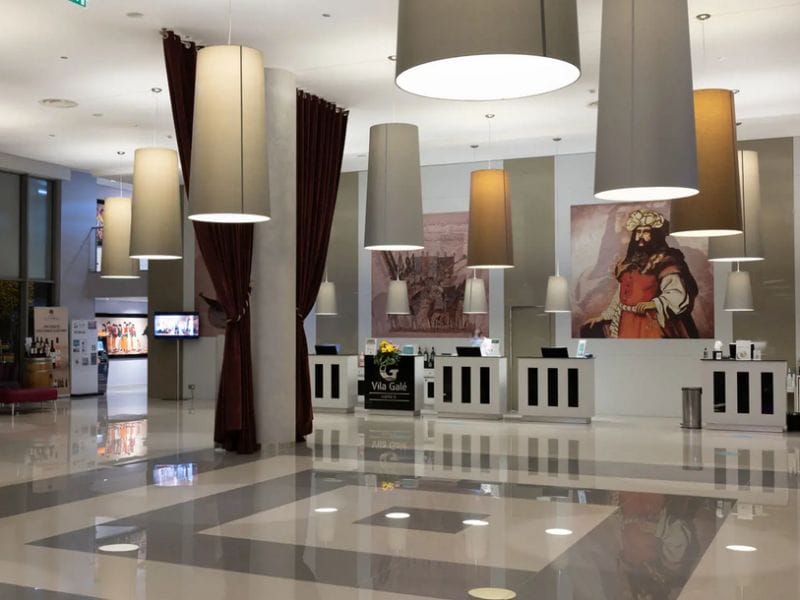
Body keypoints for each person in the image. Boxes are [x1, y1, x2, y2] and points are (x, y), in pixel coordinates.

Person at [581, 209, 699, 338]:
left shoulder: (666, 262)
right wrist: (604, 316)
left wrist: (652, 304)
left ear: (656, 235)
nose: (640, 236)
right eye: (638, 232)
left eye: (646, 232)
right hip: (626, 323)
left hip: (651, 323)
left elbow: (676, 293)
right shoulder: (628, 262)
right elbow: (621, 295)